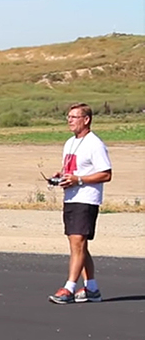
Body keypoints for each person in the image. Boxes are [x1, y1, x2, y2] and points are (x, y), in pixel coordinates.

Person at [48, 103, 112, 304]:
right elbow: (73, 168)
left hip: (86, 199)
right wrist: (61, 175)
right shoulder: (70, 143)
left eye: (74, 117)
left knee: (78, 243)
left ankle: (69, 288)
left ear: (86, 120)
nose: (70, 120)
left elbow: (106, 174)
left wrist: (79, 180)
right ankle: (91, 288)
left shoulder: (95, 144)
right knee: (79, 245)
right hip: (71, 198)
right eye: (68, 116)